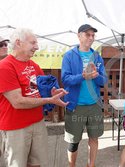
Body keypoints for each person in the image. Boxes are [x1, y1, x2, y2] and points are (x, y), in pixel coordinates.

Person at [0, 28, 69, 167]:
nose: (37, 47)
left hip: (37, 123)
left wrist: (52, 94)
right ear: (18, 43)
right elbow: (18, 102)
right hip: (15, 127)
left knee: (38, 163)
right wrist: (49, 100)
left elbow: (37, 92)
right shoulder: (5, 67)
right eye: (33, 43)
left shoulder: (34, 65)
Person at [61, 24, 108, 167]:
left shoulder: (97, 57)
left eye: (93, 35)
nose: (91, 38)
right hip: (75, 105)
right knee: (74, 141)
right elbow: (65, 79)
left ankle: (91, 165)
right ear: (79, 35)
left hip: (94, 105)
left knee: (94, 138)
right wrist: (83, 76)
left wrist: (95, 76)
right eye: (88, 34)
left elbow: (104, 80)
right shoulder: (69, 56)